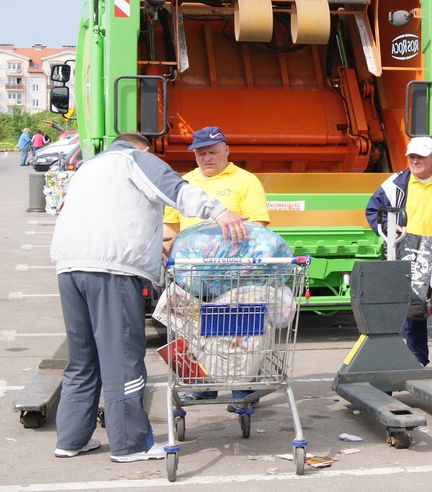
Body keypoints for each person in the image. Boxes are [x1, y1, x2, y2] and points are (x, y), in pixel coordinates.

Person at [50, 133, 247, 462]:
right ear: (142, 147)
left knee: (82, 359)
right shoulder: (135, 159)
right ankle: (130, 445)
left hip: (69, 267)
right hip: (111, 270)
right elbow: (176, 190)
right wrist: (220, 213)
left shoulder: (88, 167)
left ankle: (71, 439)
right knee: (122, 359)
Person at [162, 126, 270, 409]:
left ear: (226, 150)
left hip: (234, 274)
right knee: (193, 331)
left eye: (212, 152)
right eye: (200, 153)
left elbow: (258, 227)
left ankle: (242, 390)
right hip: (191, 274)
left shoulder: (246, 181)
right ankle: (201, 387)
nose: (206, 158)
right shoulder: (184, 184)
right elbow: (170, 227)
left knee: (239, 333)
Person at [365, 136, 432, 376]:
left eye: (420, 157)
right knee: (414, 309)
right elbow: (373, 210)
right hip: (409, 252)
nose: (414, 161)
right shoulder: (395, 183)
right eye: (411, 156)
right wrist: (384, 227)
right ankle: (417, 358)